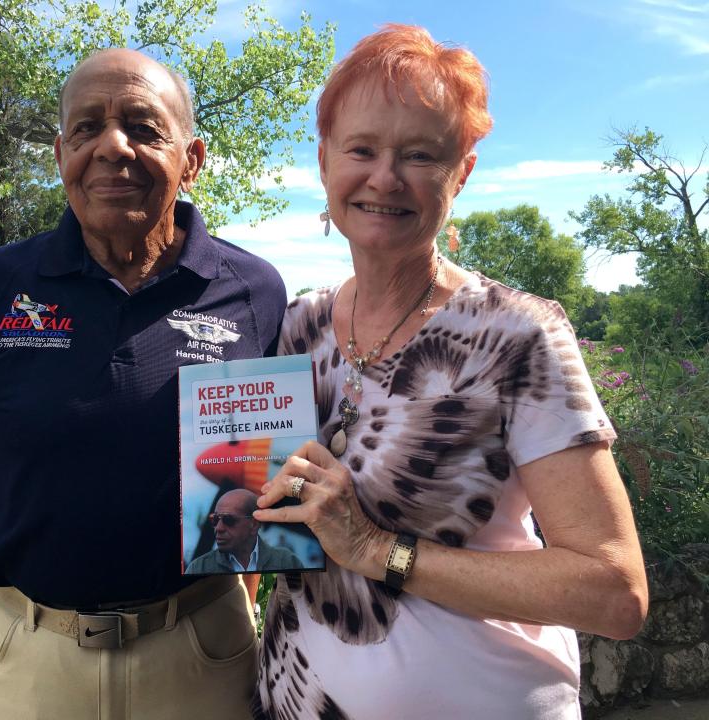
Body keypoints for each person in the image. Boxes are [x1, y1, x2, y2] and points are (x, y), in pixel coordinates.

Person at [250, 24, 648, 720]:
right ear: (323, 161)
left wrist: (378, 549)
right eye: (362, 149)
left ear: (461, 172)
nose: (384, 177)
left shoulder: (520, 333)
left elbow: (614, 593)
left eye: (419, 155)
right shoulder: (297, 325)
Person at [0, 48, 286, 720]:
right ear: (59, 155)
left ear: (191, 160)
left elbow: (253, 483)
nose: (112, 147)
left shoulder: (254, 292)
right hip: (28, 664)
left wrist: (229, 612)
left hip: (201, 659)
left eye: (142, 126)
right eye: (86, 128)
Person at [186, 489, 304, 573]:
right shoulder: (198, 568)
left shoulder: (287, 561)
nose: (218, 528)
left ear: (254, 525)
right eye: (214, 519)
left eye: (228, 519)